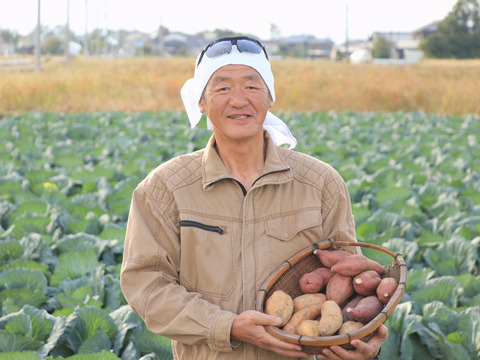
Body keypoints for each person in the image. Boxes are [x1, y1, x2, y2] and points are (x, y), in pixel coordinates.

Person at [120, 35, 387, 360]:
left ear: (270, 96)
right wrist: (226, 326)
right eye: (222, 88)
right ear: (201, 102)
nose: (238, 100)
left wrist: (362, 335)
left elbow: (345, 284)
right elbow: (146, 285)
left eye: (251, 86)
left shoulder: (321, 184)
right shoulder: (164, 189)